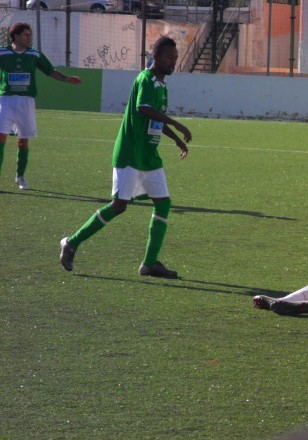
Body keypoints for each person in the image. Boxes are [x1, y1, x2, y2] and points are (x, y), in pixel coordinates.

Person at [59, 36, 192, 278]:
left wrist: (175, 138)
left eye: (175, 58)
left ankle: (149, 263)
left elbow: (154, 118)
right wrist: (177, 123)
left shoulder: (162, 86)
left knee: (163, 203)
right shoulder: (146, 79)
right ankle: (71, 243)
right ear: (156, 57)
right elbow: (143, 108)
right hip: (130, 153)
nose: (173, 62)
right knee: (119, 206)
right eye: (168, 57)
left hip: (149, 156)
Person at [0, 22, 82, 190]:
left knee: (23, 141)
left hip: (26, 102)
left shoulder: (34, 54)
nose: (29, 38)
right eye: (26, 34)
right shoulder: (2, 52)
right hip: (5, 100)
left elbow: (50, 71)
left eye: (29, 35)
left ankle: (20, 176)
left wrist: (67, 79)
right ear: (15, 36)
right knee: (1, 138)